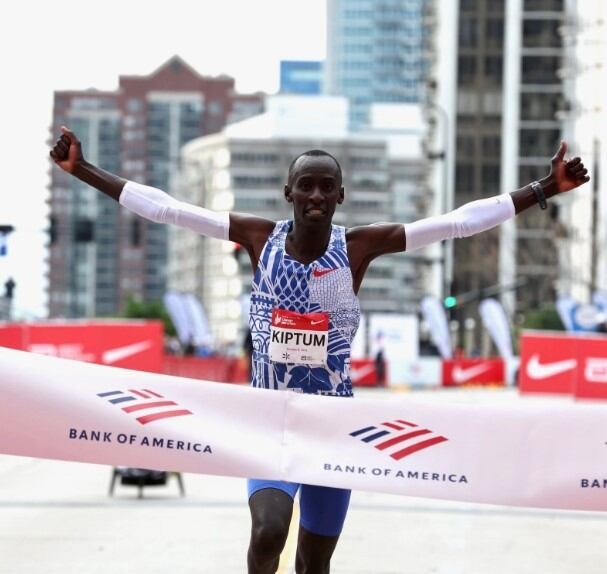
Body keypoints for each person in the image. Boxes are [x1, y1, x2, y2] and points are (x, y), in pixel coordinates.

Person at [50, 126, 589, 573]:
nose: (315, 196)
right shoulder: (258, 238)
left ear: (340, 196)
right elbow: (167, 210)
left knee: (314, 562)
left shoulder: (357, 248)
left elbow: (456, 224)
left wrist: (543, 189)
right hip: (268, 420)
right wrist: (83, 169)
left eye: (326, 187)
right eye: (305, 186)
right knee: (268, 533)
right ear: (288, 192)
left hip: (334, 426)